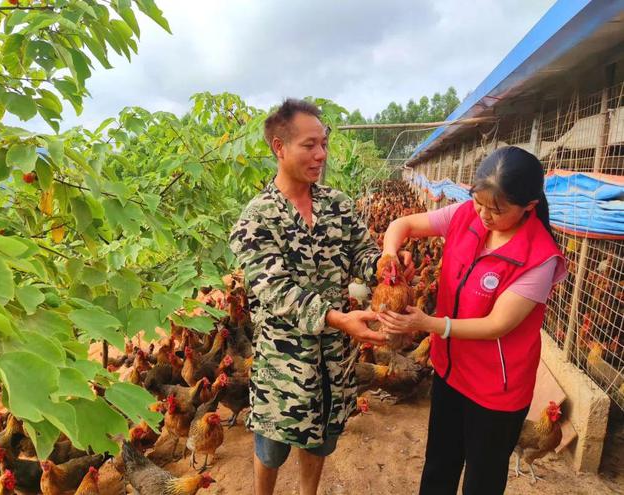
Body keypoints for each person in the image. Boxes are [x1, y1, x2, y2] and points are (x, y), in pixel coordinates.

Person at [230, 99, 406, 495]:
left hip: (334, 359)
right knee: (272, 448)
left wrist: (385, 267)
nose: (321, 154)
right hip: (283, 363)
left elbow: (362, 254)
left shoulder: (337, 205)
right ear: (279, 147)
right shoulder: (256, 218)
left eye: (323, 144)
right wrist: (336, 318)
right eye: (309, 145)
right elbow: (274, 290)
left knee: (321, 440)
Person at [379, 146, 567, 495]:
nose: (483, 214)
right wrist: (390, 256)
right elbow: (401, 225)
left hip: (497, 390)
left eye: (496, 210)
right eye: (478, 202)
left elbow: (498, 324)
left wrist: (429, 324)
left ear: (529, 206)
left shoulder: (538, 258)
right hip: (451, 372)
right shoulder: (466, 214)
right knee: (439, 466)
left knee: (482, 481)